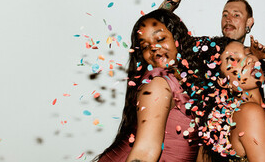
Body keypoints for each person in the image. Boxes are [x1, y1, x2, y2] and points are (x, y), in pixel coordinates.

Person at [96, 9, 230, 162]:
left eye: (160, 39)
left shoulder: (186, 77)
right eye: (145, 46)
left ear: (177, 38)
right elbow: (144, 154)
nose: (153, 48)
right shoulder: (158, 83)